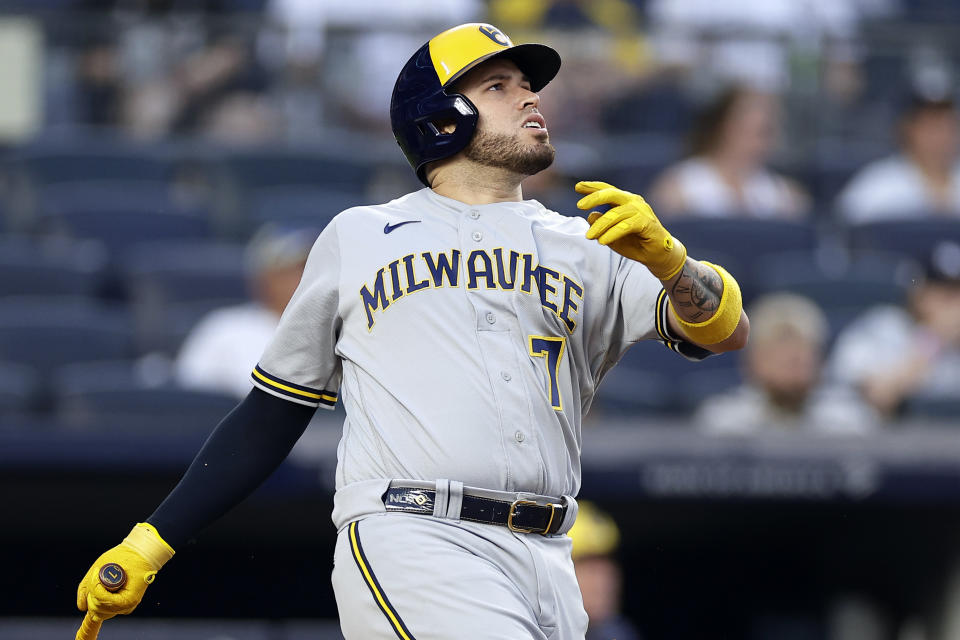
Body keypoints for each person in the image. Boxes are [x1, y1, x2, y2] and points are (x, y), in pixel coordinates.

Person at [76, 23, 748, 639]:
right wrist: (149, 543)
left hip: (551, 555)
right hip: (418, 534)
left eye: (528, 84)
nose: (530, 98)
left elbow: (725, 331)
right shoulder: (361, 236)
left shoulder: (590, 242)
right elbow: (273, 411)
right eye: (498, 86)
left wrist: (672, 263)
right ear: (440, 119)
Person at [696, 292, 876, 435]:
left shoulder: (850, 425)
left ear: (819, 360)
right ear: (753, 360)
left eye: (802, 346)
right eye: (779, 345)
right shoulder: (723, 425)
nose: (792, 356)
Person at [175, 224, 314, 399]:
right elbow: (190, 403)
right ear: (265, 278)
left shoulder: (344, 331)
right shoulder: (224, 329)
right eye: (296, 269)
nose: (308, 277)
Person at [829, 241, 960, 417]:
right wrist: (933, 340)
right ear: (918, 292)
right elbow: (881, 396)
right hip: (882, 440)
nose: (955, 305)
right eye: (946, 294)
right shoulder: (882, 328)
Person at [647, 86, 810, 219]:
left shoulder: (785, 196)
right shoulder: (679, 187)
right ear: (724, 127)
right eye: (756, 131)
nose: (762, 142)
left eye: (768, 132)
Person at [836, 93, 960, 223]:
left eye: (948, 123)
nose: (942, 135)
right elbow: (844, 232)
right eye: (931, 124)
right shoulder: (877, 186)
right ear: (907, 128)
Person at [567, 501, 642, 640]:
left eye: (606, 566)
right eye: (589, 568)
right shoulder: (526, 629)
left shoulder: (616, 634)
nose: (602, 581)